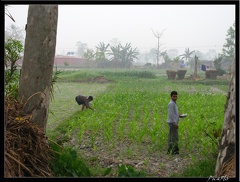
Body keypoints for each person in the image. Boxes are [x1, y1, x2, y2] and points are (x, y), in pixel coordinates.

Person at [167, 91, 181, 155]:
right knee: (174, 137)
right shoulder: (171, 104)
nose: (175, 97)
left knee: (172, 136)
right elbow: (171, 115)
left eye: (176, 96)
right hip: (172, 122)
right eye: (174, 96)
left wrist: (178, 115)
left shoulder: (174, 103)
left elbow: (174, 113)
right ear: (171, 96)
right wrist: (175, 123)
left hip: (173, 122)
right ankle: (173, 150)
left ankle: (172, 150)